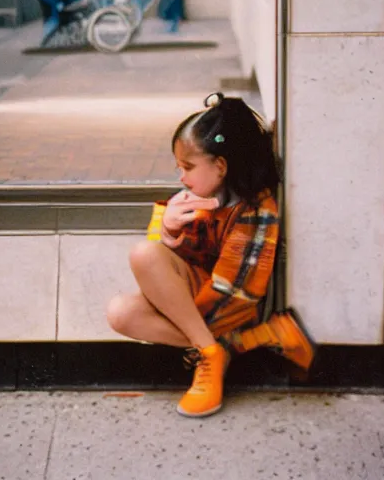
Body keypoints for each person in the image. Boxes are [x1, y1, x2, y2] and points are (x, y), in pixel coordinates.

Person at [107, 92, 315, 418]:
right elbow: (157, 271)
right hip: (197, 308)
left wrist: (180, 313)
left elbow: (236, 295)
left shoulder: (257, 211)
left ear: (220, 166)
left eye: (187, 167)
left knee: (144, 256)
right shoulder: (195, 197)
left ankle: (209, 355)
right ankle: (235, 344)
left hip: (231, 308)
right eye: (178, 167)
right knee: (120, 311)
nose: (181, 177)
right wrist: (169, 231)